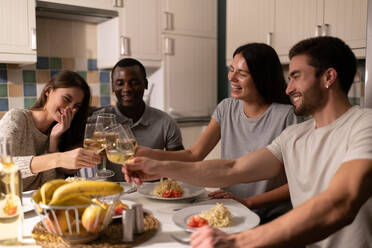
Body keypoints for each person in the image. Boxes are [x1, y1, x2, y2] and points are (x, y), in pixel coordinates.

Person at [123, 36, 372, 248]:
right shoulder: (295, 136)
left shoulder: (364, 124)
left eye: (296, 77)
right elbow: (231, 169)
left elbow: (341, 201)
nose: (288, 89)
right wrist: (156, 167)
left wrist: (237, 242)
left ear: (328, 77)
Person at [136, 43, 304, 222]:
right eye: (232, 70)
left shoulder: (288, 116)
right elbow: (194, 154)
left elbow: (295, 183)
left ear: (262, 77)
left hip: (269, 216)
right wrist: (148, 154)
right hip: (229, 210)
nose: (232, 77)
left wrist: (249, 202)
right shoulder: (226, 108)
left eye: (242, 74)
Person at [0, 70, 101, 191]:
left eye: (76, 106)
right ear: (48, 91)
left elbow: (49, 184)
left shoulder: (57, 132)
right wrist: (59, 158)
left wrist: (54, 139)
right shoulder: (16, 118)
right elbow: (3, 167)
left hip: (33, 204)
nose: (71, 109)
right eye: (66, 99)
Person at [86, 58, 184, 181]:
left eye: (134, 82)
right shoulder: (98, 120)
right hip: (110, 195)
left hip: (152, 195)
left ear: (146, 84)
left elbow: (180, 166)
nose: (127, 89)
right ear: (112, 87)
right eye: (120, 83)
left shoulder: (166, 122)